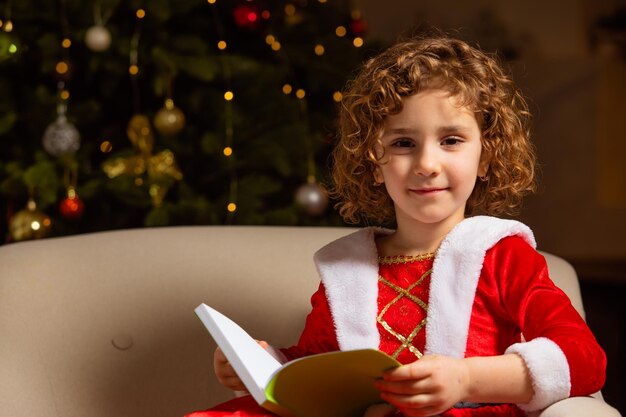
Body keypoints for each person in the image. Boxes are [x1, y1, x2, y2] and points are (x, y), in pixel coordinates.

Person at [187, 34, 606, 417]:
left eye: (451, 140)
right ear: (372, 162)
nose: (426, 164)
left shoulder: (501, 255)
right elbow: (319, 368)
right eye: (403, 143)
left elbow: (583, 360)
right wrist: (264, 364)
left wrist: (466, 378)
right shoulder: (348, 269)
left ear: (487, 155)